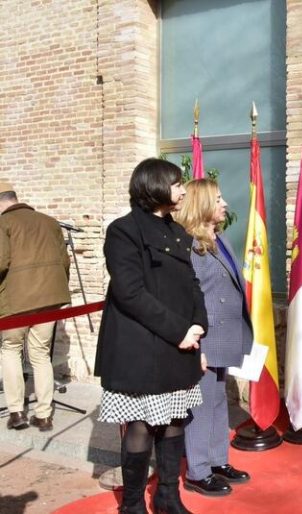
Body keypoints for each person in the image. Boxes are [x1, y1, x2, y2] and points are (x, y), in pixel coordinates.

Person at [95, 158, 207, 514]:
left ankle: (168, 497)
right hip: (141, 346)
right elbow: (129, 292)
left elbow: (192, 286)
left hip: (180, 344)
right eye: (176, 183)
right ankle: (131, 506)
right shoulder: (123, 231)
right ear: (154, 185)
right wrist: (180, 331)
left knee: (175, 421)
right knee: (142, 425)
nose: (183, 190)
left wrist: (199, 326)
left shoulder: (179, 232)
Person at [174, 179, 252, 497]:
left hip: (224, 335)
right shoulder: (187, 246)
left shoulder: (218, 240)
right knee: (202, 406)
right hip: (204, 339)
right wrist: (195, 346)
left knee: (219, 401)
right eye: (218, 199)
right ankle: (197, 471)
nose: (225, 204)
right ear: (203, 204)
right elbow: (183, 299)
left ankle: (217, 461)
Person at [0, 181, 70, 432]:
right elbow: (64, 261)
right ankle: (44, 415)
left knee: (10, 350)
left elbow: (0, 262)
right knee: (41, 355)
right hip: (48, 300)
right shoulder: (50, 222)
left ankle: (17, 412)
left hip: (15, 302)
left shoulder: (3, 223)